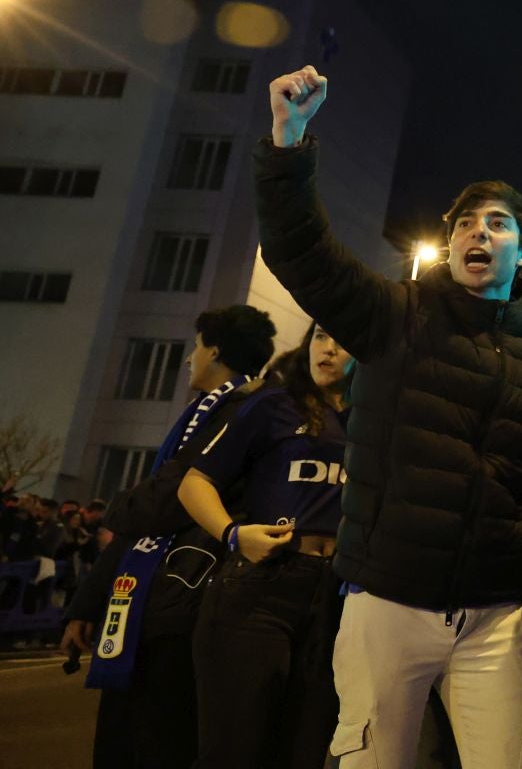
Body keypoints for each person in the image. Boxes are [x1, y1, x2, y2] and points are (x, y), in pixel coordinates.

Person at [256, 64, 522, 769]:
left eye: (499, 225)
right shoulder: (392, 314)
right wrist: (289, 139)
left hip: (496, 615)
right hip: (388, 602)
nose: (477, 233)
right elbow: (300, 253)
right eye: (466, 222)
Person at [62, 306, 278, 769]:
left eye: (197, 346)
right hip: (156, 594)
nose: (189, 358)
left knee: (162, 738)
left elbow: (168, 497)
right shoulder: (205, 412)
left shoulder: (246, 411)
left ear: (215, 351)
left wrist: (118, 507)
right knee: (131, 734)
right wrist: (86, 603)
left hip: (191, 596)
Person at [180, 321, 353, 769]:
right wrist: (234, 535)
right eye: (319, 337)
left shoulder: (377, 423)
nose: (328, 350)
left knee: (305, 752)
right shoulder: (275, 404)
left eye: (342, 340)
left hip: (336, 598)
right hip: (261, 587)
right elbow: (194, 483)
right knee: (234, 752)